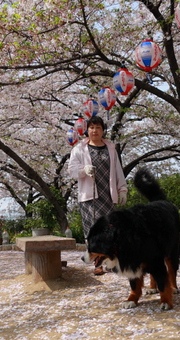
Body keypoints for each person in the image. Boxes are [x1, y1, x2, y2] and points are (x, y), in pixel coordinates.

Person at [68, 115, 128, 274]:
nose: (95, 131)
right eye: (92, 128)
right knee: (92, 231)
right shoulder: (79, 149)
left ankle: (111, 261)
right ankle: (98, 264)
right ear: (87, 130)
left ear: (103, 130)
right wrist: (83, 170)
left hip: (108, 195)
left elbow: (118, 171)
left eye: (98, 128)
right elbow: (72, 170)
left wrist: (122, 189)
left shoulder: (111, 149)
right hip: (89, 197)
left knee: (110, 230)